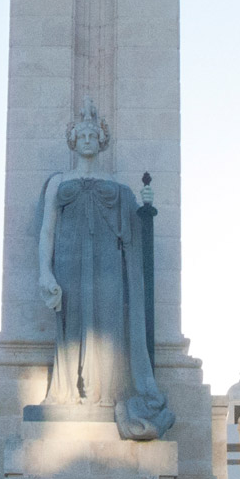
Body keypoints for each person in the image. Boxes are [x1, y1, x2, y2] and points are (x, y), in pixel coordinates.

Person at [37, 100, 172, 440]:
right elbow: (46, 230)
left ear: (100, 140)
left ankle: (103, 395)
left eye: (92, 135)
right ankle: (70, 393)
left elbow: (136, 231)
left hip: (108, 265)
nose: (86, 140)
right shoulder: (58, 182)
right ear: (73, 140)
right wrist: (44, 272)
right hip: (68, 262)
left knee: (107, 326)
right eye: (81, 134)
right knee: (72, 328)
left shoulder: (118, 188)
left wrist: (145, 206)